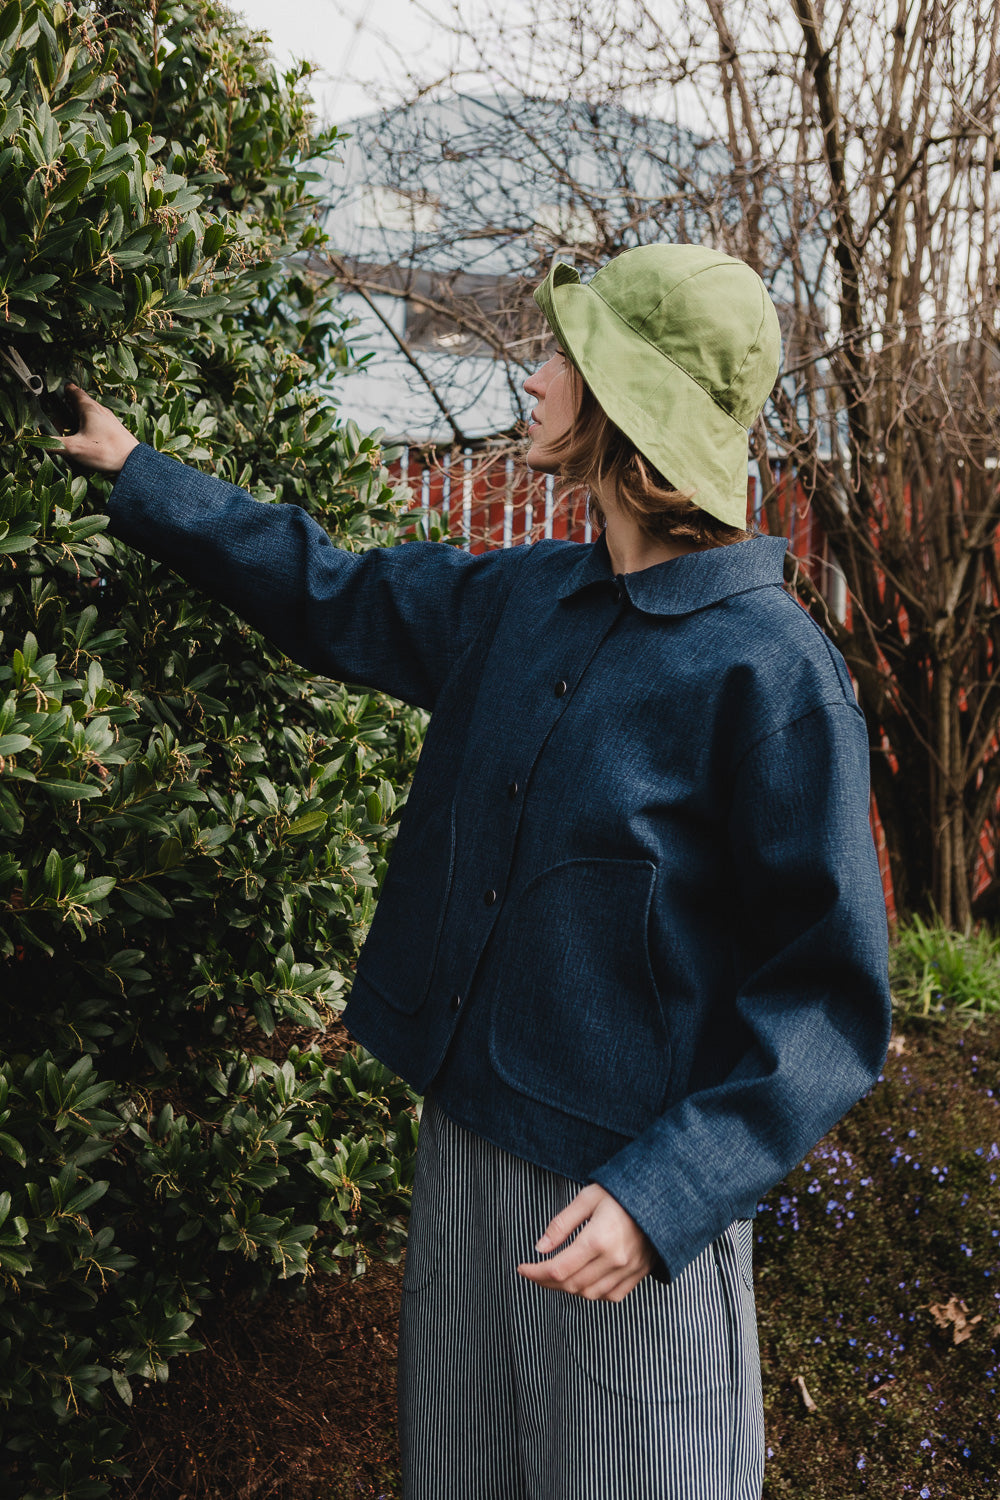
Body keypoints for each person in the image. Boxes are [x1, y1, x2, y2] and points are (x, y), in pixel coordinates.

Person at [62, 242, 891, 1499]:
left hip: (627, 1209)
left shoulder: (770, 676)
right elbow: (330, 592)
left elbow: (827, 1004)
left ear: (624, 407)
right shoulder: (526, 599)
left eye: (567, 356)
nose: (539, 374)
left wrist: (665, 1199)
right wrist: (140, 474)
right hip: (464, 1151)